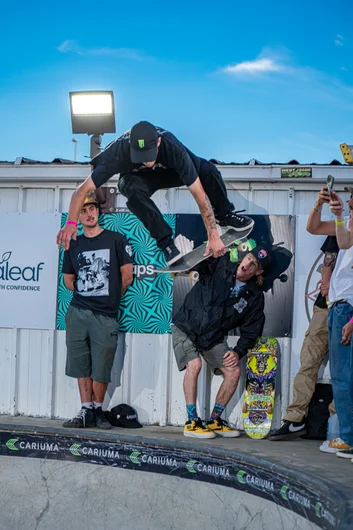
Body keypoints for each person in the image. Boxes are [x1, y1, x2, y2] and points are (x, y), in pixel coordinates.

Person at [56, 121, 254, 265]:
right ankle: (166, 243)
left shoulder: (173, 147)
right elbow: (81, 191)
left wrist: (213, 234)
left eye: (149, 156)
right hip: (143, 179)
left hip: (174, 172)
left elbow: (200, 196)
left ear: (158, 142)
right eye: (140, 157)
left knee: (209, 171)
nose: (146, 161)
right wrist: (71, 223)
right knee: (129, 188)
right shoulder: (116, 153)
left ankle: (225, 215)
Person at [172, 246, 270, 438]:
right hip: (186, 326)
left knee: (233, 371)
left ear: (258, 272)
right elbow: (200, 264)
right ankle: (191, 421)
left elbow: (251, 330)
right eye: (248, 258)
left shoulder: (255, 297)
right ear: (243, 257)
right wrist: (211, 252)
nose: (247, 265)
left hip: (211, 336)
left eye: (254, 265)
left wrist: (238, 351)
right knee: (195, 364)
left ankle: (215, 420)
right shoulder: (222, 264)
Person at [62, 192, 133, 429]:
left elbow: (127, 276)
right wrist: (87, 291)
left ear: (98, 211)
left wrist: (109, 297)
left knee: (102, 365)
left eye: (92, 208)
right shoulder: (73, 243)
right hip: (78, 312)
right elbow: (68, 279)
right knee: (80, 363)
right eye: (83, 211)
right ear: (78, 217)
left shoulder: (116, 239)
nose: (89, 214)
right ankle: (86, 410)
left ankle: (98, 410)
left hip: (106, 315)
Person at [269, 234, 338, 441]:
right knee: (307, 363)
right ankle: (295, 418)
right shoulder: (340, 225)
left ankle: (338, 424)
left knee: (345, 371)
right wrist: (326, 285)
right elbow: (329, 258)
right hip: (325, 307)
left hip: (349, 310)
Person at [301, 186, 353, 456]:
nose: (351, 204)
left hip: (348, 310)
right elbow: (314, 228)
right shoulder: (346, 230)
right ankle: (346, 436)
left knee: (344, 377)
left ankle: (349, 438)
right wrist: (319, 204)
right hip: (337, 307)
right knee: (342, 377)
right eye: (351, 201)